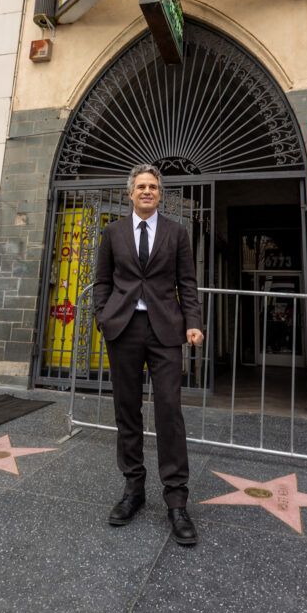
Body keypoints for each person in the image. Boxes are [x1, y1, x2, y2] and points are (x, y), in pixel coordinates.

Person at [93, 164, 204, 544]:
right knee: (127, 409)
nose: (146, 191)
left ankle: (176, 500)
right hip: (123, 329)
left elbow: (187, 282)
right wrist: (101, 317)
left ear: (160, 193)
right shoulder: (112, 232)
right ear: (130, 193)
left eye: (153, 187)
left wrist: (193, 321)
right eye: (140, 186)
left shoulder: (176, 232)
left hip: (165, 330)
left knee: (169, 411)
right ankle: (133, 490)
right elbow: (103, 280)